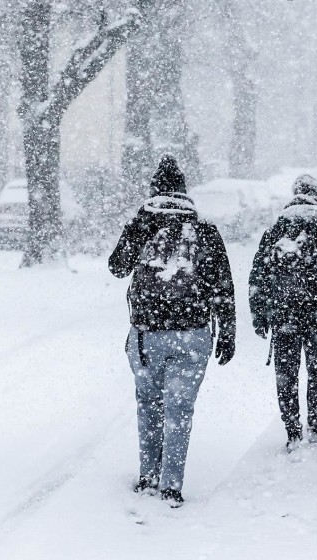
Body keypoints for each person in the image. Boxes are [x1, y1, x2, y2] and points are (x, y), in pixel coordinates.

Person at [108, 155, 236, 508]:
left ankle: (148, 477)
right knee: (180, 411)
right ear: (183, 190)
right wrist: (227, 331)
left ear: (154, 190)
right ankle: (171, 487)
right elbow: (222, 284)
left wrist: (138, 226)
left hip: (147, 334)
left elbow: (117, 267)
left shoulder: (144, 223)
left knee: (148, 406)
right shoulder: (204, 229)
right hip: (193, 334)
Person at [249, 174, 317, 450]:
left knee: (286, 372)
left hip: (284, 314)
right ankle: (316, 422)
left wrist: (260, 314)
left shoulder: (276, 228)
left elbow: (258, 276)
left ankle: (292, 429)